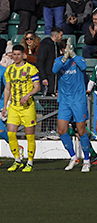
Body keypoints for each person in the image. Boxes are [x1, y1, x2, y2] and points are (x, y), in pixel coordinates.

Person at [52, 39, 93, 172]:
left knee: (81, 131)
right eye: (65, 49)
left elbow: (84, 67)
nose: (67, 51)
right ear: (61, 50)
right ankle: (73, 157)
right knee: (61, 130)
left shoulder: (78, 59)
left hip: (78, 100)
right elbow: (54, 70)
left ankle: (87, 160)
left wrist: (73, 54)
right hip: (64, 100)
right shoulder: (59, 60)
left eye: (69, 48)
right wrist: (64, 58)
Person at [2, 44, 41, 172]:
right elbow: (8, 88)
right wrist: (5, 106)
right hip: (14, 106)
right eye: (14, 54)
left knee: (29, 135)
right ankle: (17, 159)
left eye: (19, 54)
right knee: (11, 133)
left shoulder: (31, 69)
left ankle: (29, 161)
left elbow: (37, 86)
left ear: (23, 55)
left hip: (27, 107)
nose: (16, 57)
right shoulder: (9, 70)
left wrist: (28, 95)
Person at [36, 27, 63, 96]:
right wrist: (43, 77)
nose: (61, 37)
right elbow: (40, 62)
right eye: (61, 35)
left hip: (54, 77)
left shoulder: (56, 45)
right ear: (55, 35)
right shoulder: (45, 45)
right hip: (47, 78)